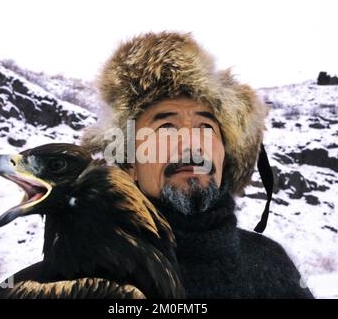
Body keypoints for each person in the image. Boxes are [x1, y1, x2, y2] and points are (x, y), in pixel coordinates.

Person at [82, 31, 314, 298]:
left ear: (225, 157)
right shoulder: (72, 280)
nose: (192, 144)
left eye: (206, 127)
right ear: (130, 165)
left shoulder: (272, 262)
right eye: (166, 127)